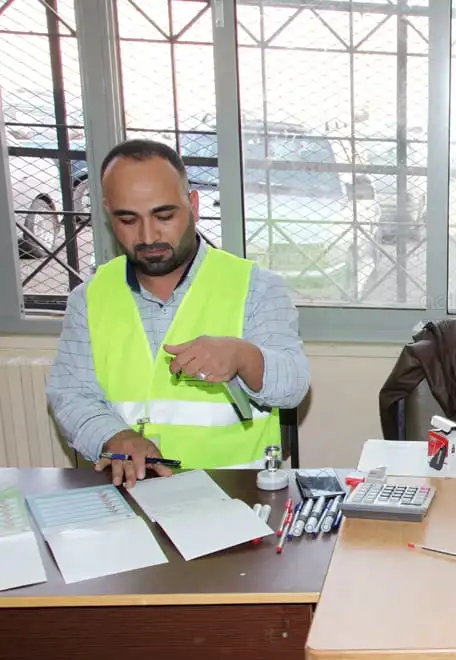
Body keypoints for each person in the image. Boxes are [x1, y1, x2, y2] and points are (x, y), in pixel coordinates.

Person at [46, 139, 310, 488]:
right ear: (109, 214)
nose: (148, 235)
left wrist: (245, 357)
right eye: (128, 219)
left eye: (164, 215)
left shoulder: (256, 287)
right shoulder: (88, 299)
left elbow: (293, 386)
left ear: (193, 205)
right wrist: (113, 436)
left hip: (237, 495)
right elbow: (70, 395)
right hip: (132, 491)